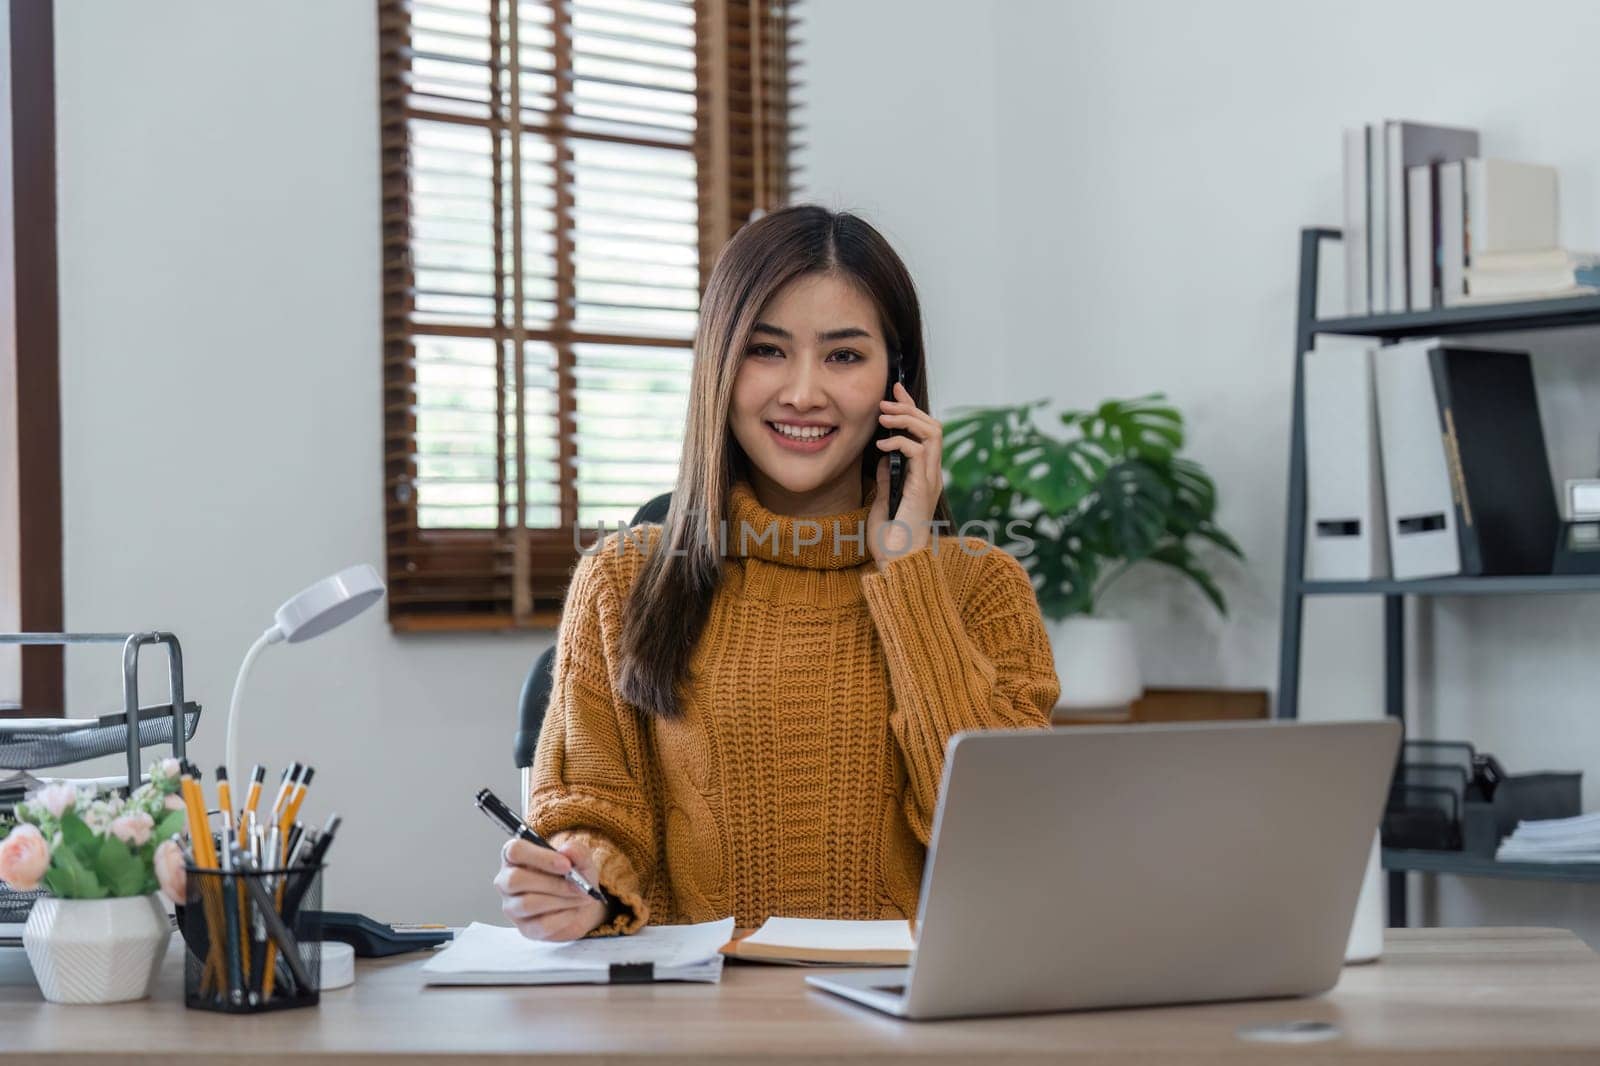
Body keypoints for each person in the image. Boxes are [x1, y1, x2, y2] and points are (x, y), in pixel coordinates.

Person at [494, 204, 1060, 940]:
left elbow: (1010, 835)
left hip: (914, 1020)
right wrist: (580, 878)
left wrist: (908, 572)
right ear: (720, 370)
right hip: (697, 1019)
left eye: (844, 356)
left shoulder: (982, 587)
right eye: (767, 351)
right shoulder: (622, 579)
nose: (802, 393)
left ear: (900, 381)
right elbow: (591, 816)